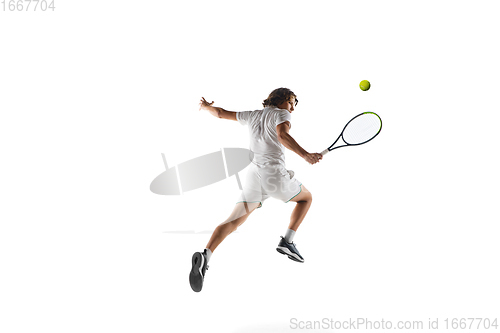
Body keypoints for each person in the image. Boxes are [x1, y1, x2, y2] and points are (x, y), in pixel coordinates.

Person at [189, 88, 323, 292]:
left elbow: (220, 113)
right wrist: (305, 155)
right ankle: (287, 241)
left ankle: (206, 255)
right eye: (292, 102)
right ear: (283, 100)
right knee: (306, 199)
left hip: (253, 175)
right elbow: (282, 135)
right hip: (274, 176)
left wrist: (207, 107)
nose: (293, 109)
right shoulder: (281, 113)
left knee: (233, 220)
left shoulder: (254, 115)